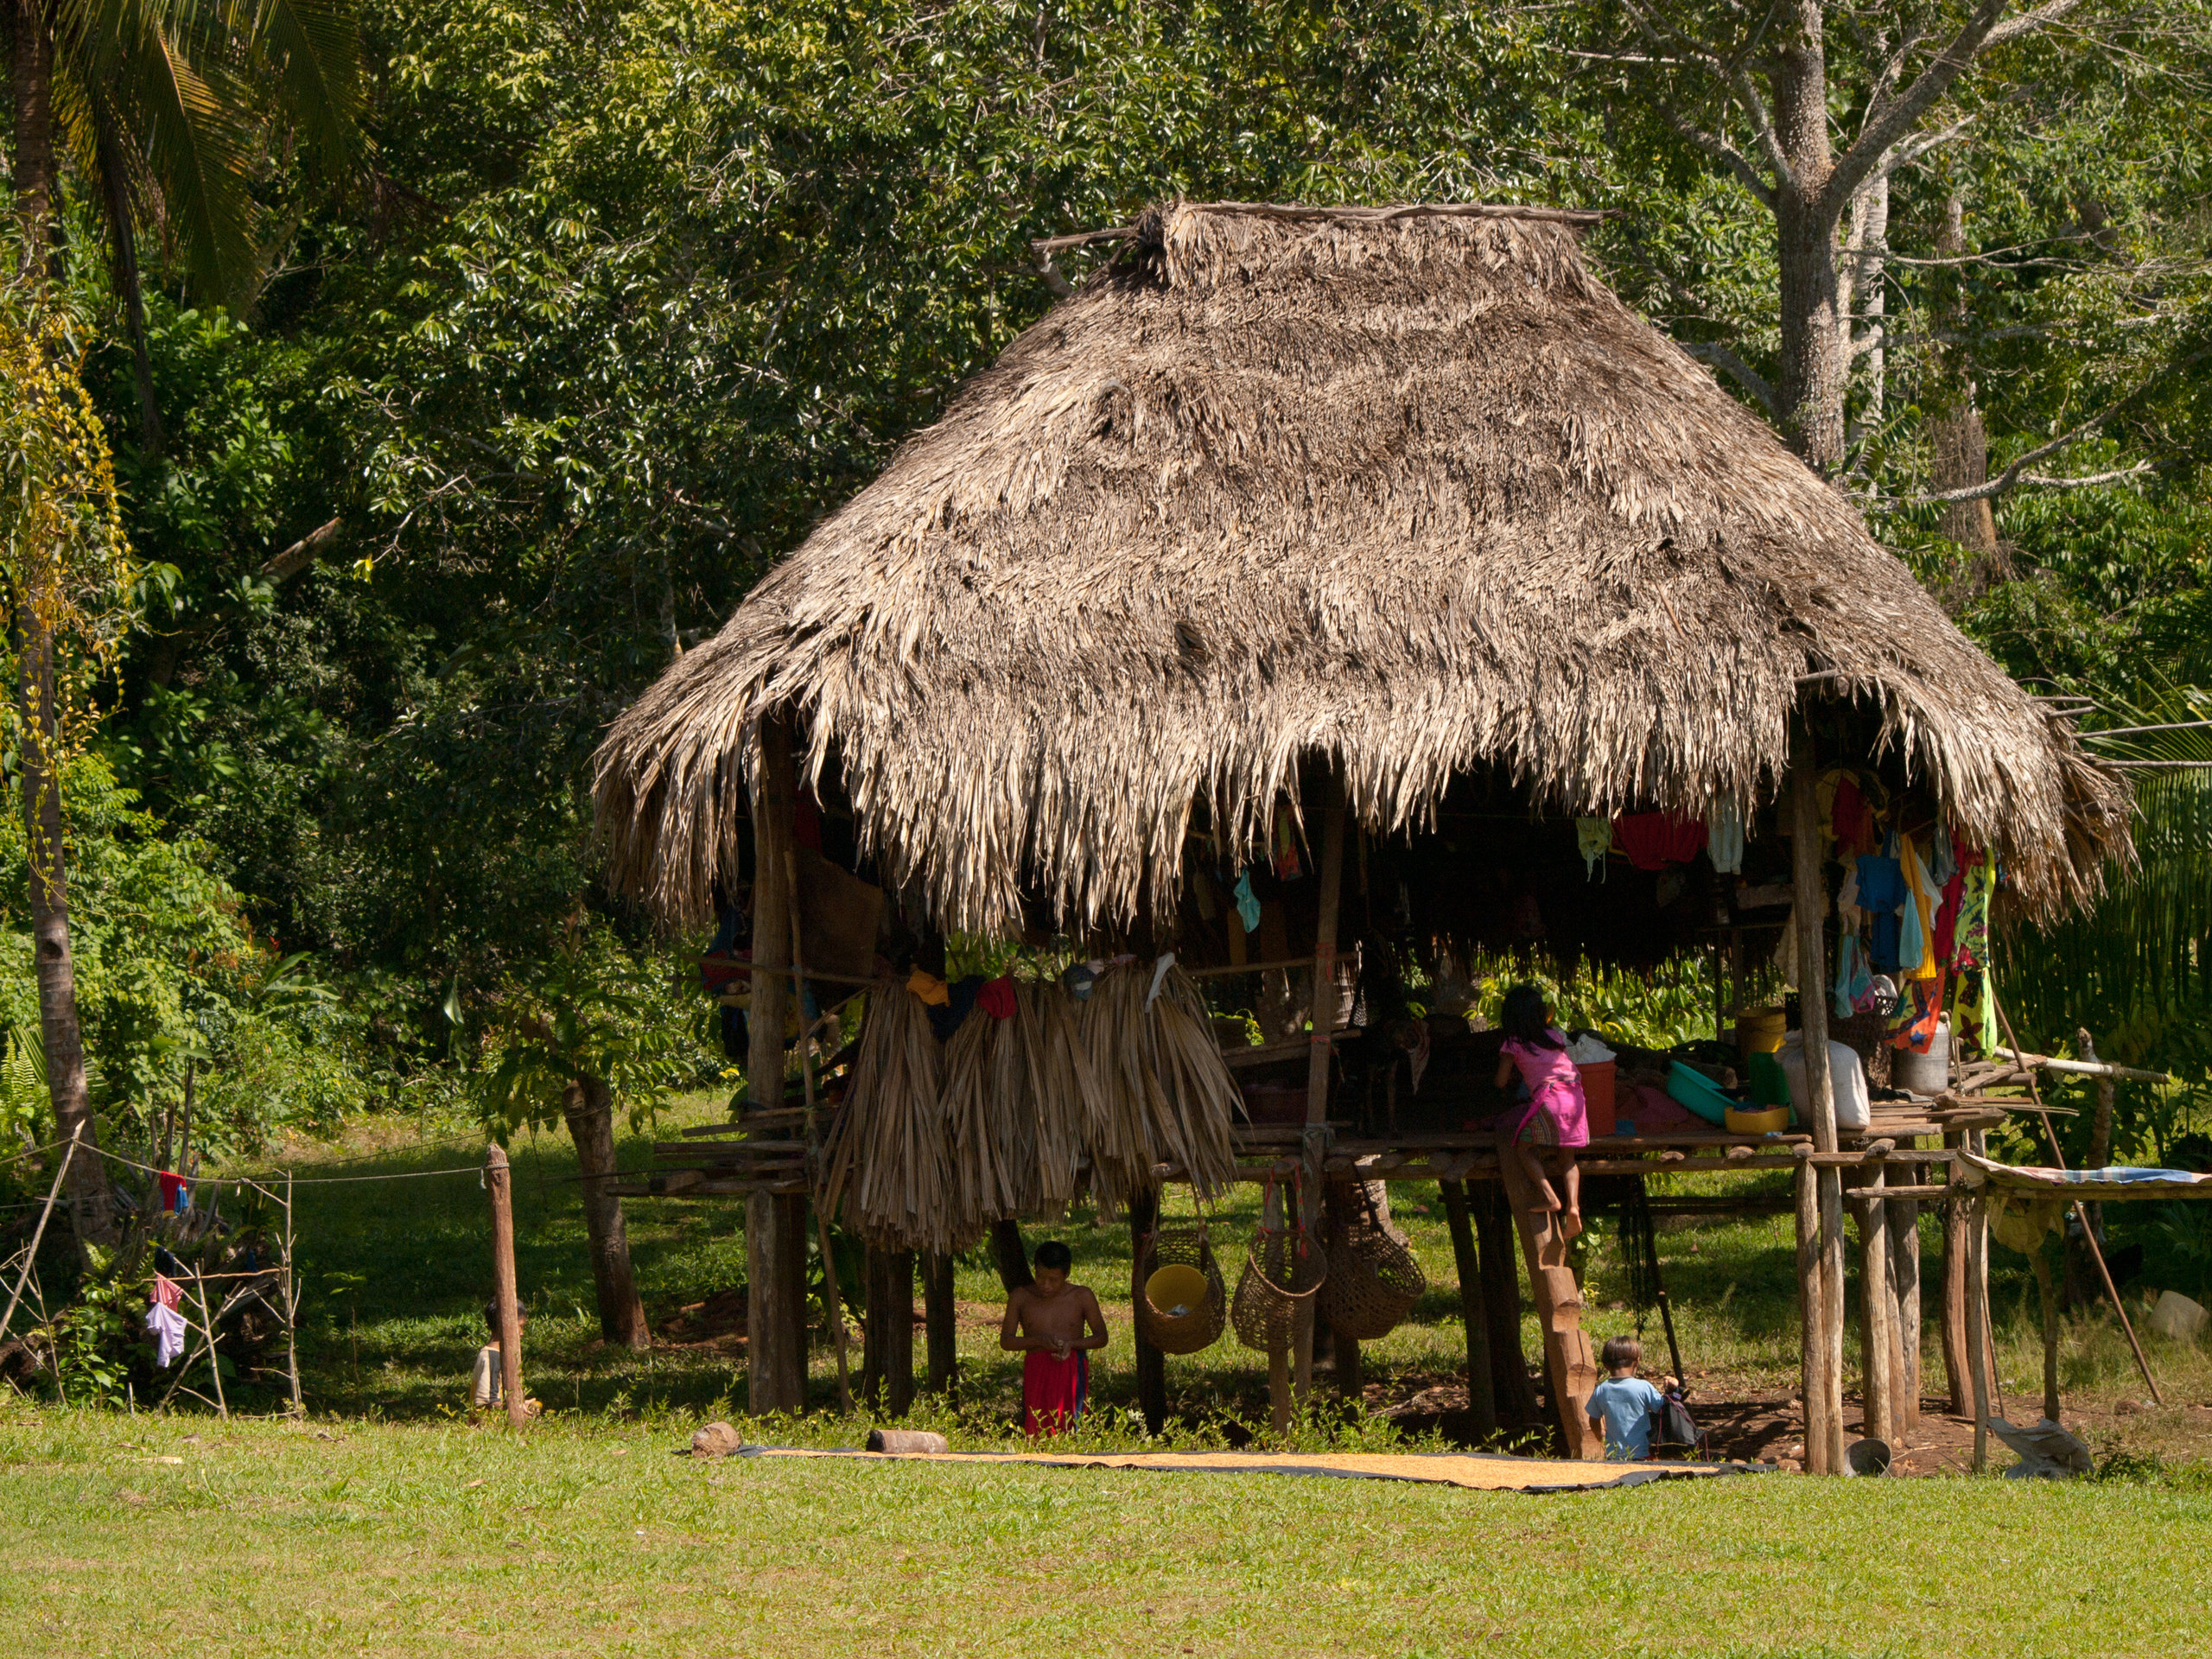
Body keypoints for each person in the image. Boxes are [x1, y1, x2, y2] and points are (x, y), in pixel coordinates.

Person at [1492, 983, 1589, 1238]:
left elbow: (1501, 1082)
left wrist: (1511, 1072)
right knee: (1568, 1160)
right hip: (1576, 1096)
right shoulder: (1555, 1037)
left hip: (1550, 1099)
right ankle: (1574, 1206)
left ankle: (1550, 1197)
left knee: (1523, 1148)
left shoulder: (1512, 1044)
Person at [1000, 1241, 1109, 1437]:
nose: (1045, 1285)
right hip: (1037, 1369)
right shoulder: (1021, 1297)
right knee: (1037, 1427)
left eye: (1053, 1279)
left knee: (1072, 1426)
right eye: (1040, 1276)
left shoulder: (1081, 1296)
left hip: (1071, 1367)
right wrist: (1039, 1341)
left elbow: (1101, 1337)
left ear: (1066, 1275)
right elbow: (1007, 1341)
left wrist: (1072, 1344)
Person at [1586, 1334, 1665, 1460]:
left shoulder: (1601, 1389)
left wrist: (1601, 1437)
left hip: (1614, 1455)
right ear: (1637, 1361)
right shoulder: (1643, 1387)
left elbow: (1593, 1419)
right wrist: (1673, 1390)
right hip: (1642, 1453)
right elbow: (1662, 1408)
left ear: (1606, 1365)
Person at [471, 1300, 542, 1418]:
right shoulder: (491, 1357)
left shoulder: (498, 1355)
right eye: (521, 1326)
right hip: (491, 1432)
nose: (522, 1333)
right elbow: (488, 1401)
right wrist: (517, 1411)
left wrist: (522, 1406)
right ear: (506, 1325)